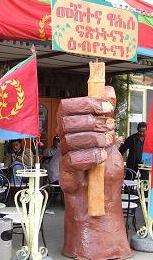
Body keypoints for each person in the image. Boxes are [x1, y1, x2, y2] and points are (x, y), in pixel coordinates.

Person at [57, 86, 132, 259]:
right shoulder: (83, 145)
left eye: (110, 108)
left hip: (115, 240)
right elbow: (70, 186)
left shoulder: (113, 152)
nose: (106, 113)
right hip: (83, 241)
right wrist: (68, 166)